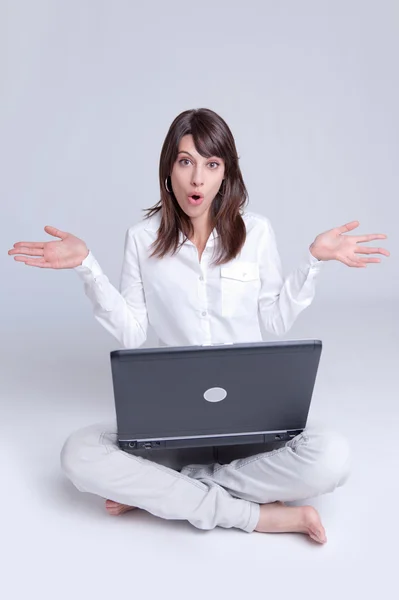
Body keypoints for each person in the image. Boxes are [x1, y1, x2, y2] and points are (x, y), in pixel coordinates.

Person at [8, 108, 389, 544]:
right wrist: (88, 268)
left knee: (332, 456)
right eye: (186, 161)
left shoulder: (257, 233)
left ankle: (165, 491)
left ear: (225, 174)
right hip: (172, 424)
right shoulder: (141, 238)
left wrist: (315, 262)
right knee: (78, 455)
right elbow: (133, 332)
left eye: (211, 165)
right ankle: (261, 516)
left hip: (250, 422)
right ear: (169, 167)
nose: (197, 179)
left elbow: (274, 320)